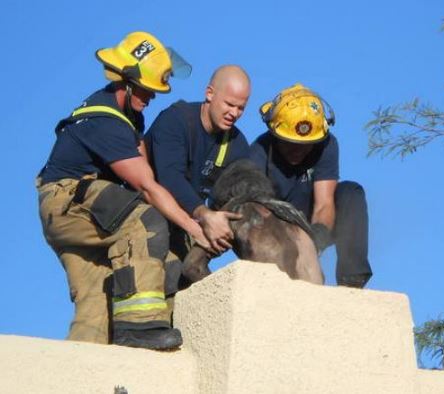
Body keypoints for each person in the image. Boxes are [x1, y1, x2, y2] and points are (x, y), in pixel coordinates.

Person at [36, 31, 210, 350]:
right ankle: (140, 327)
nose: (152, 96)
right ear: (125, 81)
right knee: (145, 223)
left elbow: (149, 175)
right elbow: (145, 186)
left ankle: (79, 376)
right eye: (145, 89)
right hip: (68, 200)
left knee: (96, 305)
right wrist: (192, 227)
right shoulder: (107, 122)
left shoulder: (129, 118)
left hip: (71, 216)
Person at [249, 83, 372, 288]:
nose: (298, 150)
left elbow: (324, 204)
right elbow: (254, 216)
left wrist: (315, 242)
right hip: (274, 229)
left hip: (311, 223)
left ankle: (352, 284)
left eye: (306, 146)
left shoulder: (327, 145)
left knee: (351, 193)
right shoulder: (258, 153)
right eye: (289, 143)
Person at [144, 65, 251, 290]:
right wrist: (204, 215)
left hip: (187, 228)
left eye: (241, 108)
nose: (235, 113)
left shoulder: (237, 144)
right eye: (229, 104)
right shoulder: (176, 120)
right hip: (147, 216)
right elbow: (169, 178)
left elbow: (238, 197)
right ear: (209, 93)